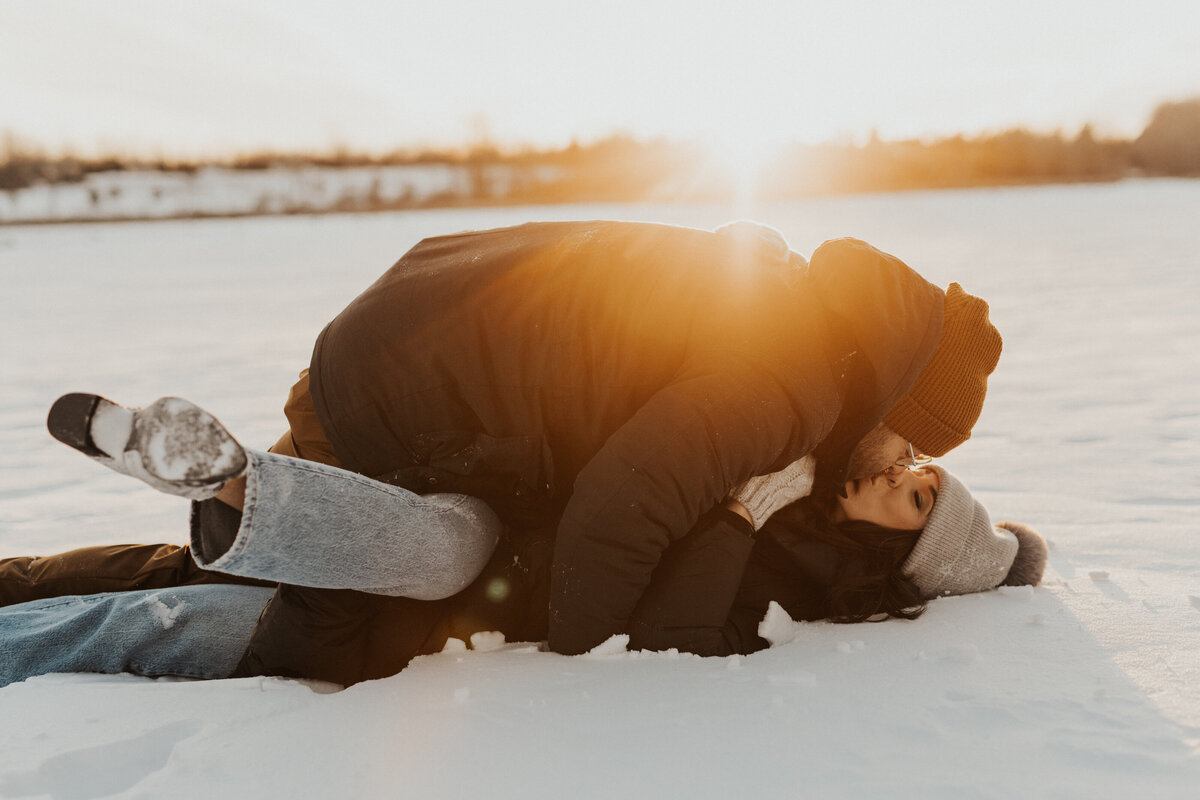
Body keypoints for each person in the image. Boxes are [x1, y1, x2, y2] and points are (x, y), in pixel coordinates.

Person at [9, 219, 1005, 684]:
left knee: (303, 563)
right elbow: (621, 514)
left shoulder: (786, 305)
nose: (896, 459)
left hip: (405, 384)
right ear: (898, 382)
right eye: (917, 444)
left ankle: (229, 488)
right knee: (283, 629)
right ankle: (229, 490)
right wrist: (584, 650)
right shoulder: (794, 381)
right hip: (414, 418)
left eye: (918, 482)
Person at [0, 463, 1047, 688]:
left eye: (917, 498)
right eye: (920, 469)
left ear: (902, 556)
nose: (903, 473)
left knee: (161, 619)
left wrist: (741, 510)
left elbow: (683, 631)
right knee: (165, 564)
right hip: (459, 546)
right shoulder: (799, 470)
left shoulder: (799, 585)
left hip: (430, 630)